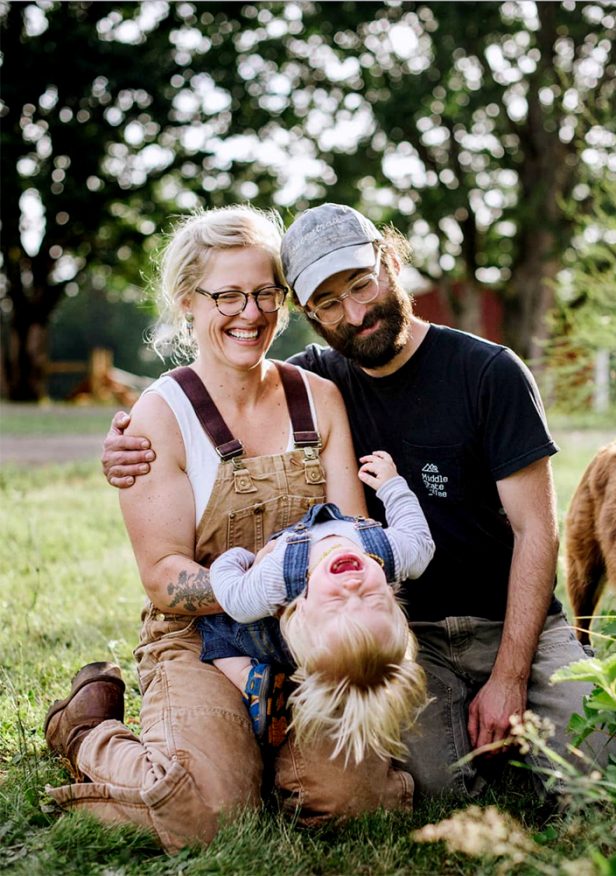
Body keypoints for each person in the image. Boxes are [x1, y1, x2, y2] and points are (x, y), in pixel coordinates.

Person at [102, 203, 615, 800]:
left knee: (595, 767)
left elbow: (530, 533)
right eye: (326, 302)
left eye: (362, 283)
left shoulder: (475, 375)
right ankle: (150, 740)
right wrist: (124, 445)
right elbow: (223, 392)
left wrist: (509, 675)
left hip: (467, 624)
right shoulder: (298, 386)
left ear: (390, 262)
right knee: (421, 788)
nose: (354, 312)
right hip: (345, 628)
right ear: (310, 312)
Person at [43, 205, 415, 855]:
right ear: (189, 301)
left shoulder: (317, 398)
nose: (252, 312)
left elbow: (351, 530)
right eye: (229, 295)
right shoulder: (161, 414)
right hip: (198, 638)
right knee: (208, 815)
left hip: (314, 636)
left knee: (356, 801)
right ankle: (87, 735)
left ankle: (255, 760)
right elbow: (164, 578)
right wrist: (268, 581)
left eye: (266, 293)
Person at [198, 449, 434, 764]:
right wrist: (392, 485)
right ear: (391, 596)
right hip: (312, 648)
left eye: (337, 602)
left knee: (216, 633)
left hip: (267, 639)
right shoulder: (395, 552)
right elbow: (419, 537)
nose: (353, 588)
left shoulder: (274, 577)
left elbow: (233, 598)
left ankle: (248, 679)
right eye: (370, 598)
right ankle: (283, 685)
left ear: (303, 610)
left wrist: (246, 560)